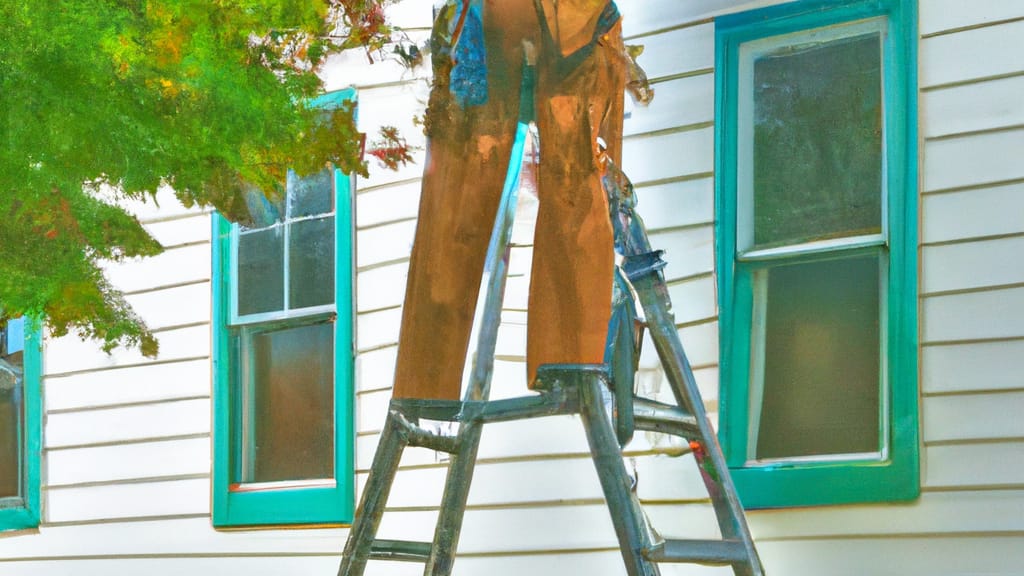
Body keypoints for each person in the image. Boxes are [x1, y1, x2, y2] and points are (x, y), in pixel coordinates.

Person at [392, 0, 626, 400]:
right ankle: (432, 380)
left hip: (570, 31)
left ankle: (568, 358)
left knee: (572, 180)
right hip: (503, 33)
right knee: (460, 204)